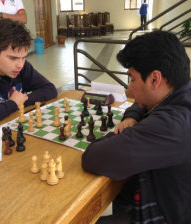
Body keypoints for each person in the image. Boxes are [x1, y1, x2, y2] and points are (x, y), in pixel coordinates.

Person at [82, 31, 191, 224]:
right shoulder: (181, 92)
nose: (129, 88)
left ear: (155, 79)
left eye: (132, 79)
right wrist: (133, 116)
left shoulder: (169, 126)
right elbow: (143, 102)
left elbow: (93, 157)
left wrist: (126, 133)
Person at [0, 19, 57, 131]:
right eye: (13, 58)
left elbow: (50, 89)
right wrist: (12, 104)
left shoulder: (21, 67)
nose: (20, 65)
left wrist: (21, 100)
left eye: (24, 57)